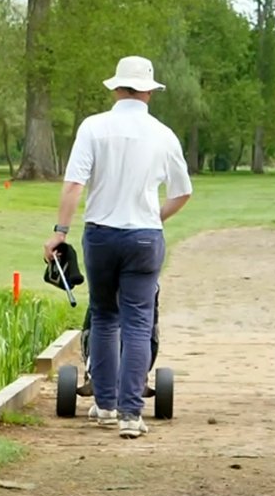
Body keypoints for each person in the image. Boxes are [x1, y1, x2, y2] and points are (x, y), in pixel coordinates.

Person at [45, 55, 193, 439]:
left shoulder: (94, 127)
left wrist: (60, 231)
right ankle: (131, 413)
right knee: (139, 322)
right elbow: (183, 192)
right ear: (148, 91)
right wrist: (154, 216)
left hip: (101, 235)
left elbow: (74, 185)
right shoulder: (163, 134)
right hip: (144, 236)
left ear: (116, 87)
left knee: (105, 316)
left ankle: (106, 404)